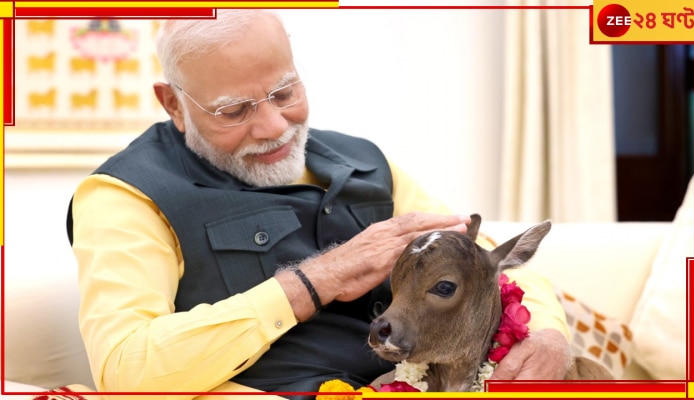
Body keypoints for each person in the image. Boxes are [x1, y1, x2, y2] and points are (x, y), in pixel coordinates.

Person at [67, 9, 573, 398]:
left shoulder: (368, 162)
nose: (273, 128)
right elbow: (126, 369)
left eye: (284, 92)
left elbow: (486, 261)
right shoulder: (125, 195)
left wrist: (548, 334)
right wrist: (315, 281)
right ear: (173, 103)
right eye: (234, 110)